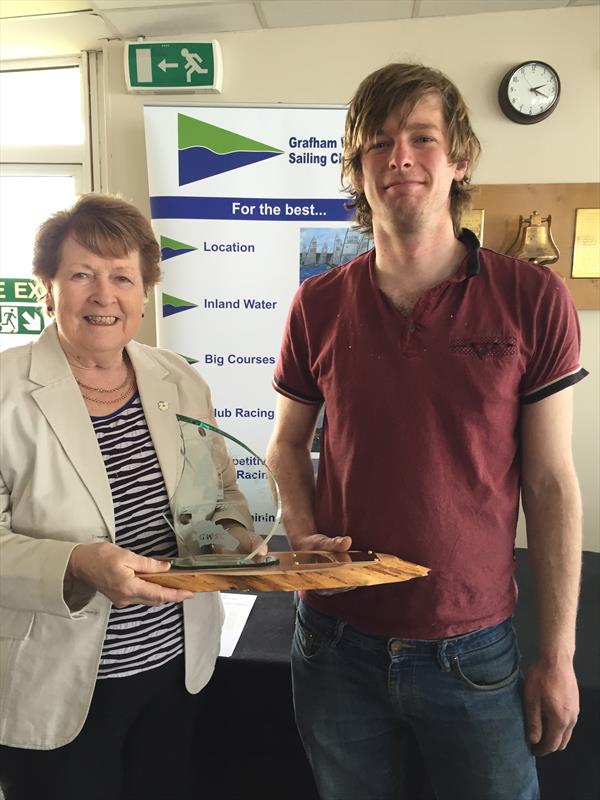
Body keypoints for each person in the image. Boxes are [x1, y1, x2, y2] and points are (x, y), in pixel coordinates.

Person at [266, 63, 587, 800]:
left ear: (460, 158)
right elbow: (287, 444)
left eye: (421, 137)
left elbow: (549, 482)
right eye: (376, 143)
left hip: (472, 649)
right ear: (357, 170)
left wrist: (558, 654)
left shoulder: (531, 300)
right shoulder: (316, 306)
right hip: (334, 643)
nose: (399, 157)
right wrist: (302, 525)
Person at [0, 194, 256, 800]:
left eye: (123, 277)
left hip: (174, 671)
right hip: (55, 686)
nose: (103, 294)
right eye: (82, 274)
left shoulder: (179, 379)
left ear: (145, 293)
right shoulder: (5, 391)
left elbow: (221, 492)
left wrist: (232, 536)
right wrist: (78, 563)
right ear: (48, 286)